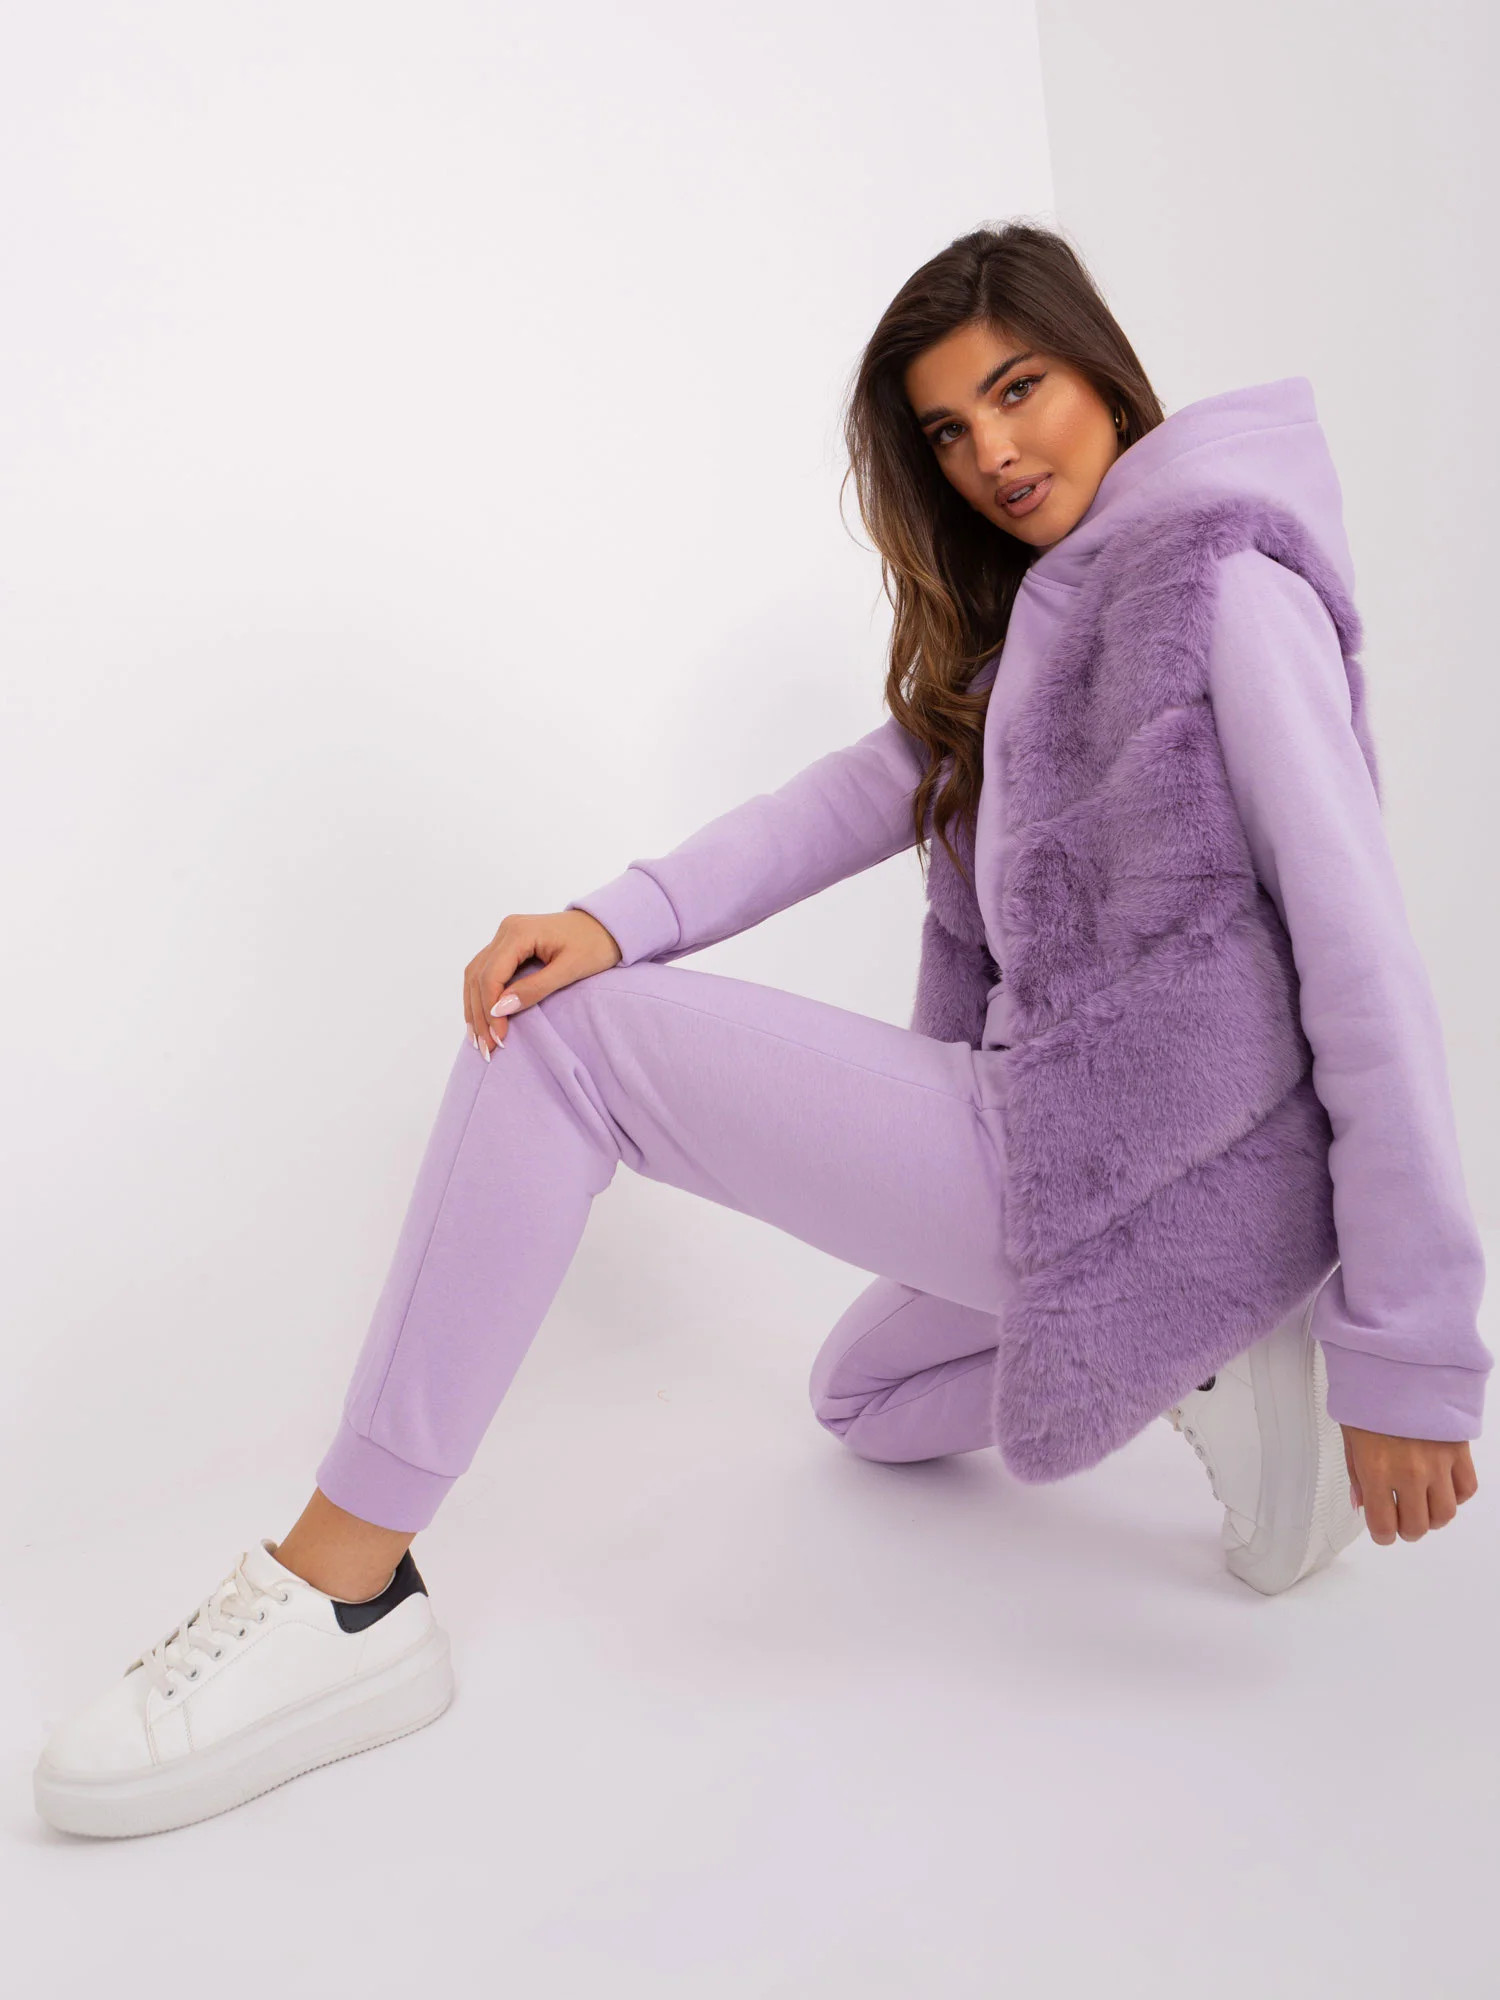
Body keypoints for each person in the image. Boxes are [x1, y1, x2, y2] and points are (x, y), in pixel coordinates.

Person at [33, 223, 1490, 1839]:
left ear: (1104, 369)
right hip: (1100, 1162)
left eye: (1020, 390)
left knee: (570, 1045)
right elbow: (849, 798)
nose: (995, 454)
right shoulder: (1051, 622)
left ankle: (346, 1591)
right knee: (861, 1405)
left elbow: (1369, 965)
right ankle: (1211, 1340)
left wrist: (1411, 1352)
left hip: (1124, 1161)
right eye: (950, 430)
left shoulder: (1225, 590)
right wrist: (619, 912)